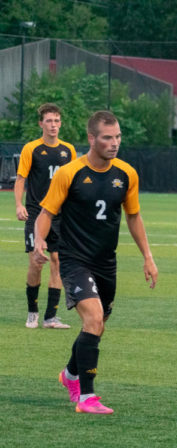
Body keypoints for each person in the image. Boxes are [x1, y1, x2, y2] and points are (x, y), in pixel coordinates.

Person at [32, 110, 158, 414]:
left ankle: (70, 374)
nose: (114, 143)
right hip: (75, 260)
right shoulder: (70, 173)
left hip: (106, 262)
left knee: (98, 326)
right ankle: (87, 397)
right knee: (93, 320)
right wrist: (39, 243)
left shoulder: (126, 174)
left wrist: (148, 257)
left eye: (117, 137)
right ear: (92, 138)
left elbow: (133, 215)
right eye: (107, 137)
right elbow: (46, 213)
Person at [14, 103, 78, 329]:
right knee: (36, 262)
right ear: (41, 123)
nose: (54, 125)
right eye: (49, 121)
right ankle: (33, 312)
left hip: (61, 216)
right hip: (36, 214)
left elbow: (72, 181)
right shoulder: (31, 149)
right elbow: (21, 179)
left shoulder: (68, 150)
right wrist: (18, 205)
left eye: (57, 121)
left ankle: (51, 317)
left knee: (58, 262)